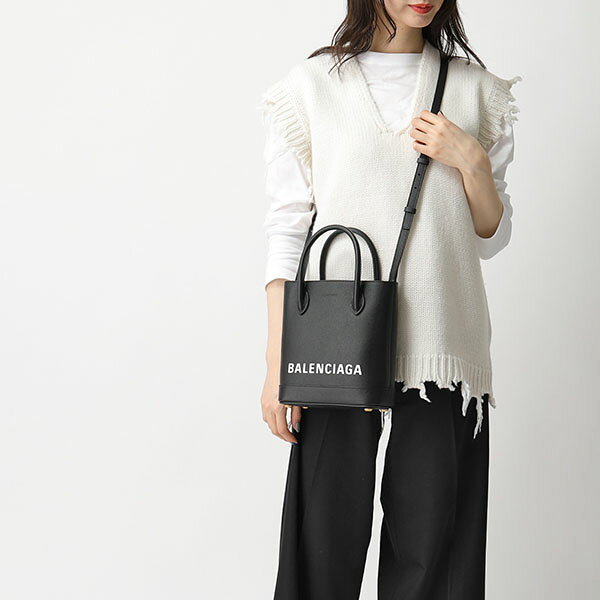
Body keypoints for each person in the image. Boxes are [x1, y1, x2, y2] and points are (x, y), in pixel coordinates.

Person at [257, 1, 521, 598]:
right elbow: (287, 230)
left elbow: (491, 236)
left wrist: (471, 160)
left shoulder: (477, 92)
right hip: (335, 342)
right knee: (322, 540)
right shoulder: (313, 87)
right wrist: (277, 364)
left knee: (434, 551)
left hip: (442, 346)